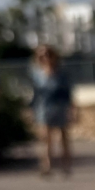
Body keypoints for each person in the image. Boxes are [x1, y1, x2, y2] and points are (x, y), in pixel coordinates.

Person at [30, 46, 75, 177]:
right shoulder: (37, 73)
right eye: (42, 56)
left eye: (48, 55)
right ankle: (47, 165)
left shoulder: (61, 73)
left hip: (60, 106)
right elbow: (35, 94)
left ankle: (66, 165)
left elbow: (68, 93)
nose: (46, 58)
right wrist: (31, 110)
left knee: (63, 137)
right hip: (43, 107)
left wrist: (72, 109)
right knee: (45, 137)